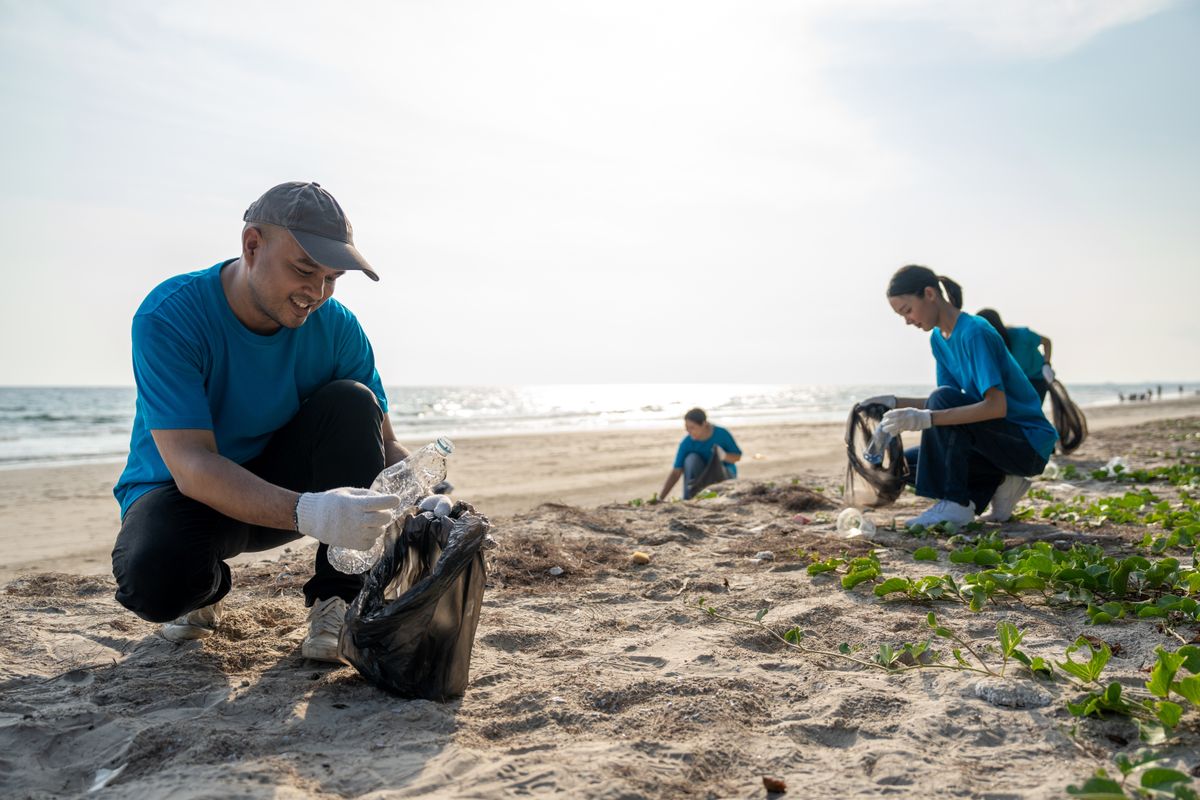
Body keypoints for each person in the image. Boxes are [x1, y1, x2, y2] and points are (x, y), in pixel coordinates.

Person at [111, 181, 409, 663]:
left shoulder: (337, 327)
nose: (317, 292)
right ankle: (207, 591)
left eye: (332, 277)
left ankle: (339, 600)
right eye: (304, 269)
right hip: (188, 497)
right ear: (252, 245)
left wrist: (429, 497)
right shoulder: (170, 315)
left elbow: (383, 445)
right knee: (154, 581)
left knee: (354, 402)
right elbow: (191, 464)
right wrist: (311, 512)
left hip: (290, 489)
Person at [862, 265, 1057, 528]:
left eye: (907, 310)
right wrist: (893, 404)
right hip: (995, 443)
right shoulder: (938, 339)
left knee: (940, 404)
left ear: (929, 294)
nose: (907, 320)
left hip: (1026, 444)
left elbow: (995, 407)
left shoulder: (974, 331)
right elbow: (948, 401)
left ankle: (956, 504)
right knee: (906, 463)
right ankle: (1002, 481)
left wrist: (925, 418)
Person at [658, 408, 742, 500]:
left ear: (704, 424)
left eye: (692, 428)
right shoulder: (687, 442)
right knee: (691, 459)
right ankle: (688, 497)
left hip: (724, 478)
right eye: (687, 428)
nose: (689, 432)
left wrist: (724, 456)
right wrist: (660, 498)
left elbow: (737, 457)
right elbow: (676, 472)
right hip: (701, 480)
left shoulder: (721, 434)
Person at [975, 308, 1054, 403]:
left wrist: (1047, 364)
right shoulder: (989, 348)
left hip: (1037, 380)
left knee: (1030, 413)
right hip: (1016, 384)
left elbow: (1047, 342)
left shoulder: (1022, 335)